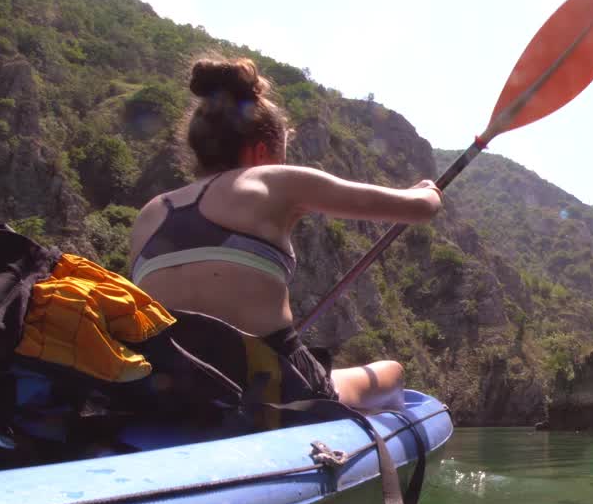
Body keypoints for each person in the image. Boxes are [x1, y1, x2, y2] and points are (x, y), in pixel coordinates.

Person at [127, 55, 442, 410]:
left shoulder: (150, 213)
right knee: (392, 373)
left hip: (164, 386)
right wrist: (428, 189)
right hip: (265, 387)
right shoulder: (273, 181)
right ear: (263, 151)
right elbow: (421, 208)